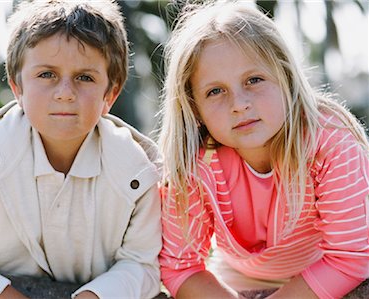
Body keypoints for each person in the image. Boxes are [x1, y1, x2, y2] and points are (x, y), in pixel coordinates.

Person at [0, 1, 162, 298]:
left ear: (109, 94)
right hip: (4, 286)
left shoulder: (136, 168)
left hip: (95, 290)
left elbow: (144, 264)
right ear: (17, 88)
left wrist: (96, 295)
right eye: (47, 74)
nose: (64, 94)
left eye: (84, 77)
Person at [158, 2, 369, 299]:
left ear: (286, 77)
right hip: (236, 283)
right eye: (215, 91)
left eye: (254, 80)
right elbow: (180, 267)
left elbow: (349, 258)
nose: (239, 103)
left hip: (330, 277)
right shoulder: (195, 163)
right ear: (195, 108)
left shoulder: (330, 144)